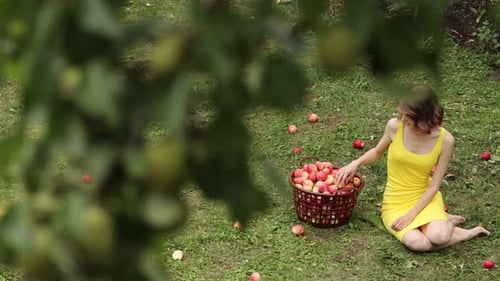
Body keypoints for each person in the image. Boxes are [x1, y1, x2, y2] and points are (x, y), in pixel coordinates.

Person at [335, 84, 490, 252]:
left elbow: (435, 185)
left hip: (424, 197)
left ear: (424, 117)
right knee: (418, 243)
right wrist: (355, 163)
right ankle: (445, 222)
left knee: (439, 237)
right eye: (401, 113)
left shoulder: (445, 140)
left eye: (407, 115)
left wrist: (411, 215)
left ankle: (460, 229)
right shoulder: (395, 126)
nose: (402, 118)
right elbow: (377, 152)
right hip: (395, 202)